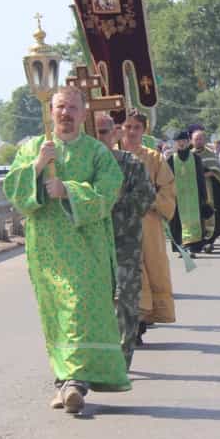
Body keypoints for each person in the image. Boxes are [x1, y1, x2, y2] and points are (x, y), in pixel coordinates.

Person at [3, 86, 128, 414]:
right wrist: (37, 167)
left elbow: (109, 191)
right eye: (60, 107)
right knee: (56, 314)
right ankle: (64, 380)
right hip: (46, 249)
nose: (65, 113)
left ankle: (75, 381)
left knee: (78, 306)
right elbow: (14, 193)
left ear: (83, 113)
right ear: (50, 111)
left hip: (86, 248)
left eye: (73, 108)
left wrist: (68, 190)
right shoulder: (33, 147)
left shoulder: (96, 152)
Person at [95, 114, 155, 368]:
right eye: (95, 132)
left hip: (124, 243)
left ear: (115, 133)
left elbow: (144, 197)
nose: (100, 137)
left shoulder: (130, 163)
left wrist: (112, 206)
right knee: (94, 303)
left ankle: (122, 358)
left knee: (125, 301)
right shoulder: (83, 165)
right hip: (91, 245)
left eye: (105, 132)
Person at [121, 110, 177, 343]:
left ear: (144, 131)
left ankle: (141, 322)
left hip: (147, 222)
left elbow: (168, 189)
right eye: (128, 127)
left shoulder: (154, 158)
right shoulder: (111, 155)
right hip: (121, 223)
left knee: (150, 267)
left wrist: (151, 200)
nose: (132, 132)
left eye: (136, 127)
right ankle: (127, 322)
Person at [167, 130, 213, 259]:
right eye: (178, 142)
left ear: (188, 142)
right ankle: (181, 247)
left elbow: (201, 179)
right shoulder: (171, 159)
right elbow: (166, 179)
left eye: (184, 141)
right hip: (177, 198)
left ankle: (192, 247)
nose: (181, 144)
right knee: (178, 223)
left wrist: (204, 197)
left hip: (194, 197)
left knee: (195, 222)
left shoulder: (196, 158)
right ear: (175, 143)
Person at [191, 128, 220, 252]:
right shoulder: (188, 155)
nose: (198, 141)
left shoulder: (210, 154)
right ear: (192, 141)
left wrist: (209, 173)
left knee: (209, 215)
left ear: (204, 140)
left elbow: (217, 171)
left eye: (200, 139)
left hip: (208, 189)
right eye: (196, 139)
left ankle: (209, 241)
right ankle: (195, 241)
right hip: (192, 191)